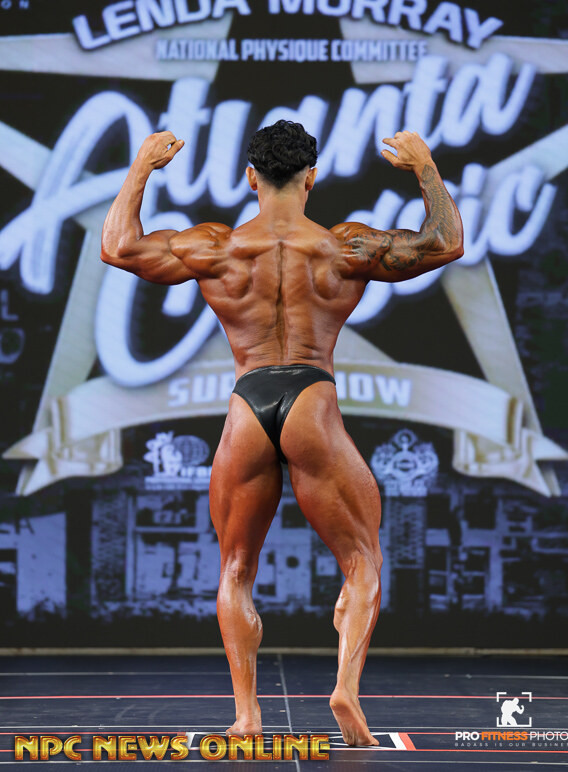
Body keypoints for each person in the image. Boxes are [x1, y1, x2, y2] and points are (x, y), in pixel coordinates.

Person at [101, 121, 464, 746]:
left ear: (250, 177)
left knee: (236, 568)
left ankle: (247, 715)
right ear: (311, 178)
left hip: (248, 402)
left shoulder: (216, 246)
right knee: (362, 559)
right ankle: (345, 688)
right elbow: (445, 242)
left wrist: (141, 167)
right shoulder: (343, 246)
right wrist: (424, 165)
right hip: (311, 398)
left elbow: (119, 247)